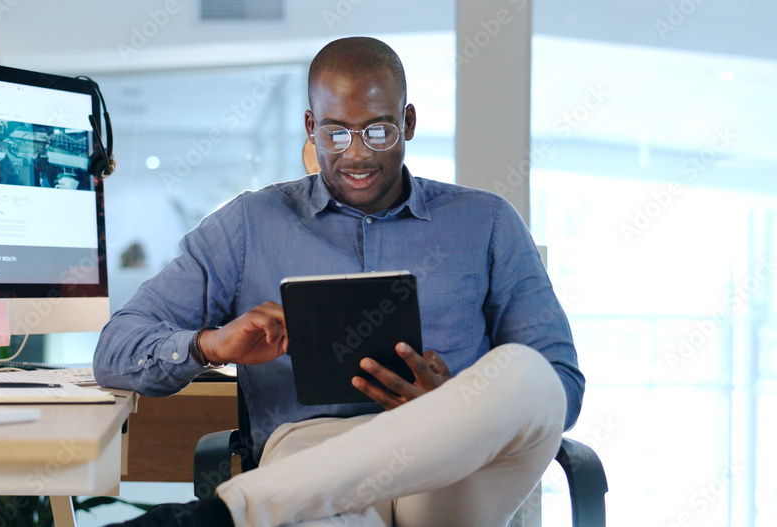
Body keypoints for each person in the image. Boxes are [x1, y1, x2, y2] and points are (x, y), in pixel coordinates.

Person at [94, 36, 584, 527]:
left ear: (408, 122)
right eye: (336, 134)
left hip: (446, 464)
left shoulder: (488, 222)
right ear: (311, 127)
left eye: (377, 132)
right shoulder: (248, 225)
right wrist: (211, 347)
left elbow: (562, 383)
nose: (357, 157)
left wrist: (458, 408)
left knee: (530, 373)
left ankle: (228, 513)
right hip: (312, 453)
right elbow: (114, 351)